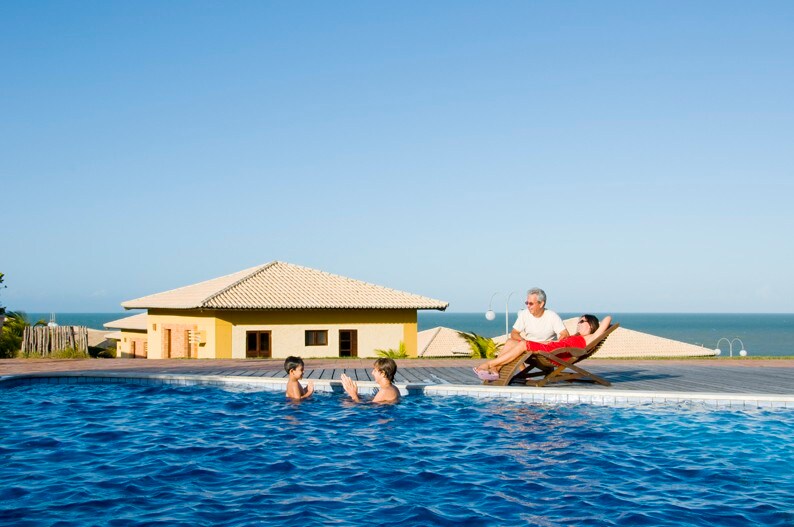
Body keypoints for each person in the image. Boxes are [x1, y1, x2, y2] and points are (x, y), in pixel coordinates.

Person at [473, 314, 613, 381]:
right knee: (510, 342)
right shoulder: (576, 336)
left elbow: (608, 318)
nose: (578, 323)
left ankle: (488, 364)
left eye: (582, 321)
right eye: (579, 321)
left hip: (554, 355)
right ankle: (496, 370)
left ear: (590, 324)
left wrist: (597, 327)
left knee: (523, 344)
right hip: (550, 349)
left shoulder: (589, 338)